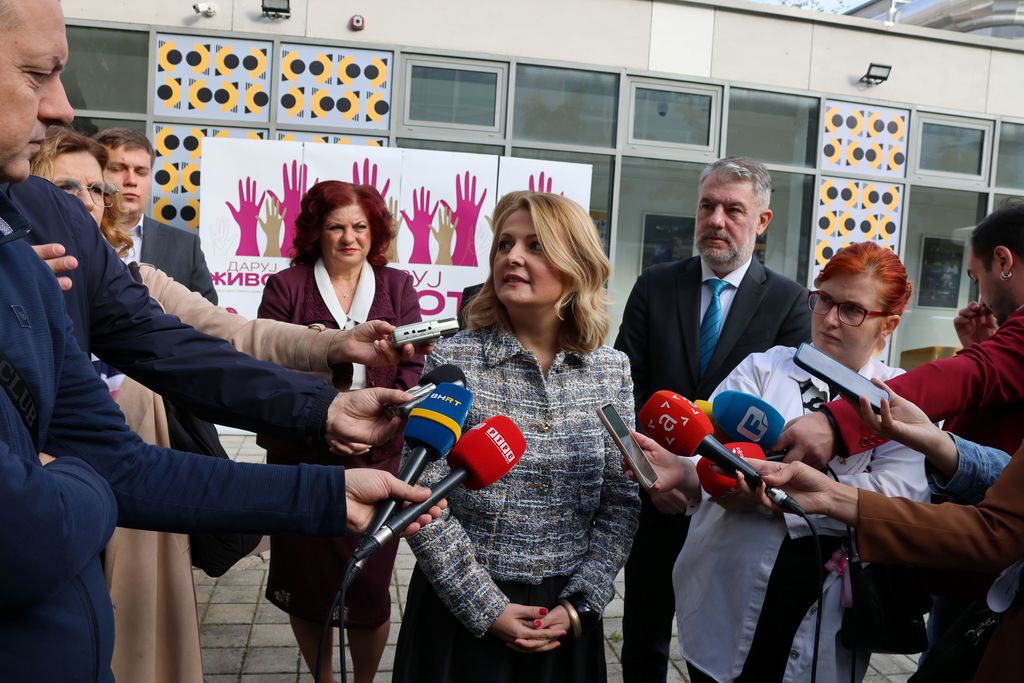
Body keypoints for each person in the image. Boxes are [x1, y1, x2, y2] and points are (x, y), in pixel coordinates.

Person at [0, 6, 442, 680]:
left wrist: (321, 427)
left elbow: (179, 352)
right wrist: (76, 477)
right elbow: (37, 524)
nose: (62, 107)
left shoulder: (40, 222)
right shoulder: (27, 254)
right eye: (38, 74)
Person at [646, 241, 930, 682]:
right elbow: (710, 457)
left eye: (852, 310)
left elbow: (899, 498)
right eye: (824, 300)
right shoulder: (763, 369)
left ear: (888, 324)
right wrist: (684, 472)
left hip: (827, 603)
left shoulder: (899, 400)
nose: (830, 319)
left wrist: (781, 499)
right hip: (726, 588)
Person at [392, 192, 641, 683]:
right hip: (461, 612)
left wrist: (583, 602)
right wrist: (485, 606)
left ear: (576, 264)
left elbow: (622, 501)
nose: (513, 256)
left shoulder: (611, 371)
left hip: (564, 615)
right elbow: (420, 496)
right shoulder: (454, 360)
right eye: (505, 244)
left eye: (535, 245)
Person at [613, 155, 812, 681]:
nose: (716, 220)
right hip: (655, 496)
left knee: (727, 644)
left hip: (731, 504)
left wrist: (709, 478)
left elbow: (785, 413)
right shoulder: (656, 285)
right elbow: (623, 388)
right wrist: (651, 475)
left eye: (733, 209)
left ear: (762, 221)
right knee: (643, 636)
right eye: (707, 206)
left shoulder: (790, 302)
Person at [257, 180, 424, 683]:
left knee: (369, 590)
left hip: (379, 459)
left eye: (359, 226)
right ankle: (324, 679)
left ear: (375, 233)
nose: (349, 238)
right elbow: (269, 368)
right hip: (303, 457)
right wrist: (322, 422)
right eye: (336, 227)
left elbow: (414, 369)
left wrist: (383, 424)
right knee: (308, 588)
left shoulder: (397, 286)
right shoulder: (287, 287)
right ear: (316, 232)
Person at [776, 203, 1024, 467]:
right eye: (824, 300)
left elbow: (969, 376)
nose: (829, 320)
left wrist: (836, 423)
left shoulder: (891, 379)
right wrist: (988, 348)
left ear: (1003, 261)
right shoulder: (767, 363)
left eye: (976, 278)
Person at [94, 127, 218, 303]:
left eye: (141, 172)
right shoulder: (74, 236)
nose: (131, 181)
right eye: (117, 169)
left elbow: (207, 313)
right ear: (95, 175)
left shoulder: (185, 247)